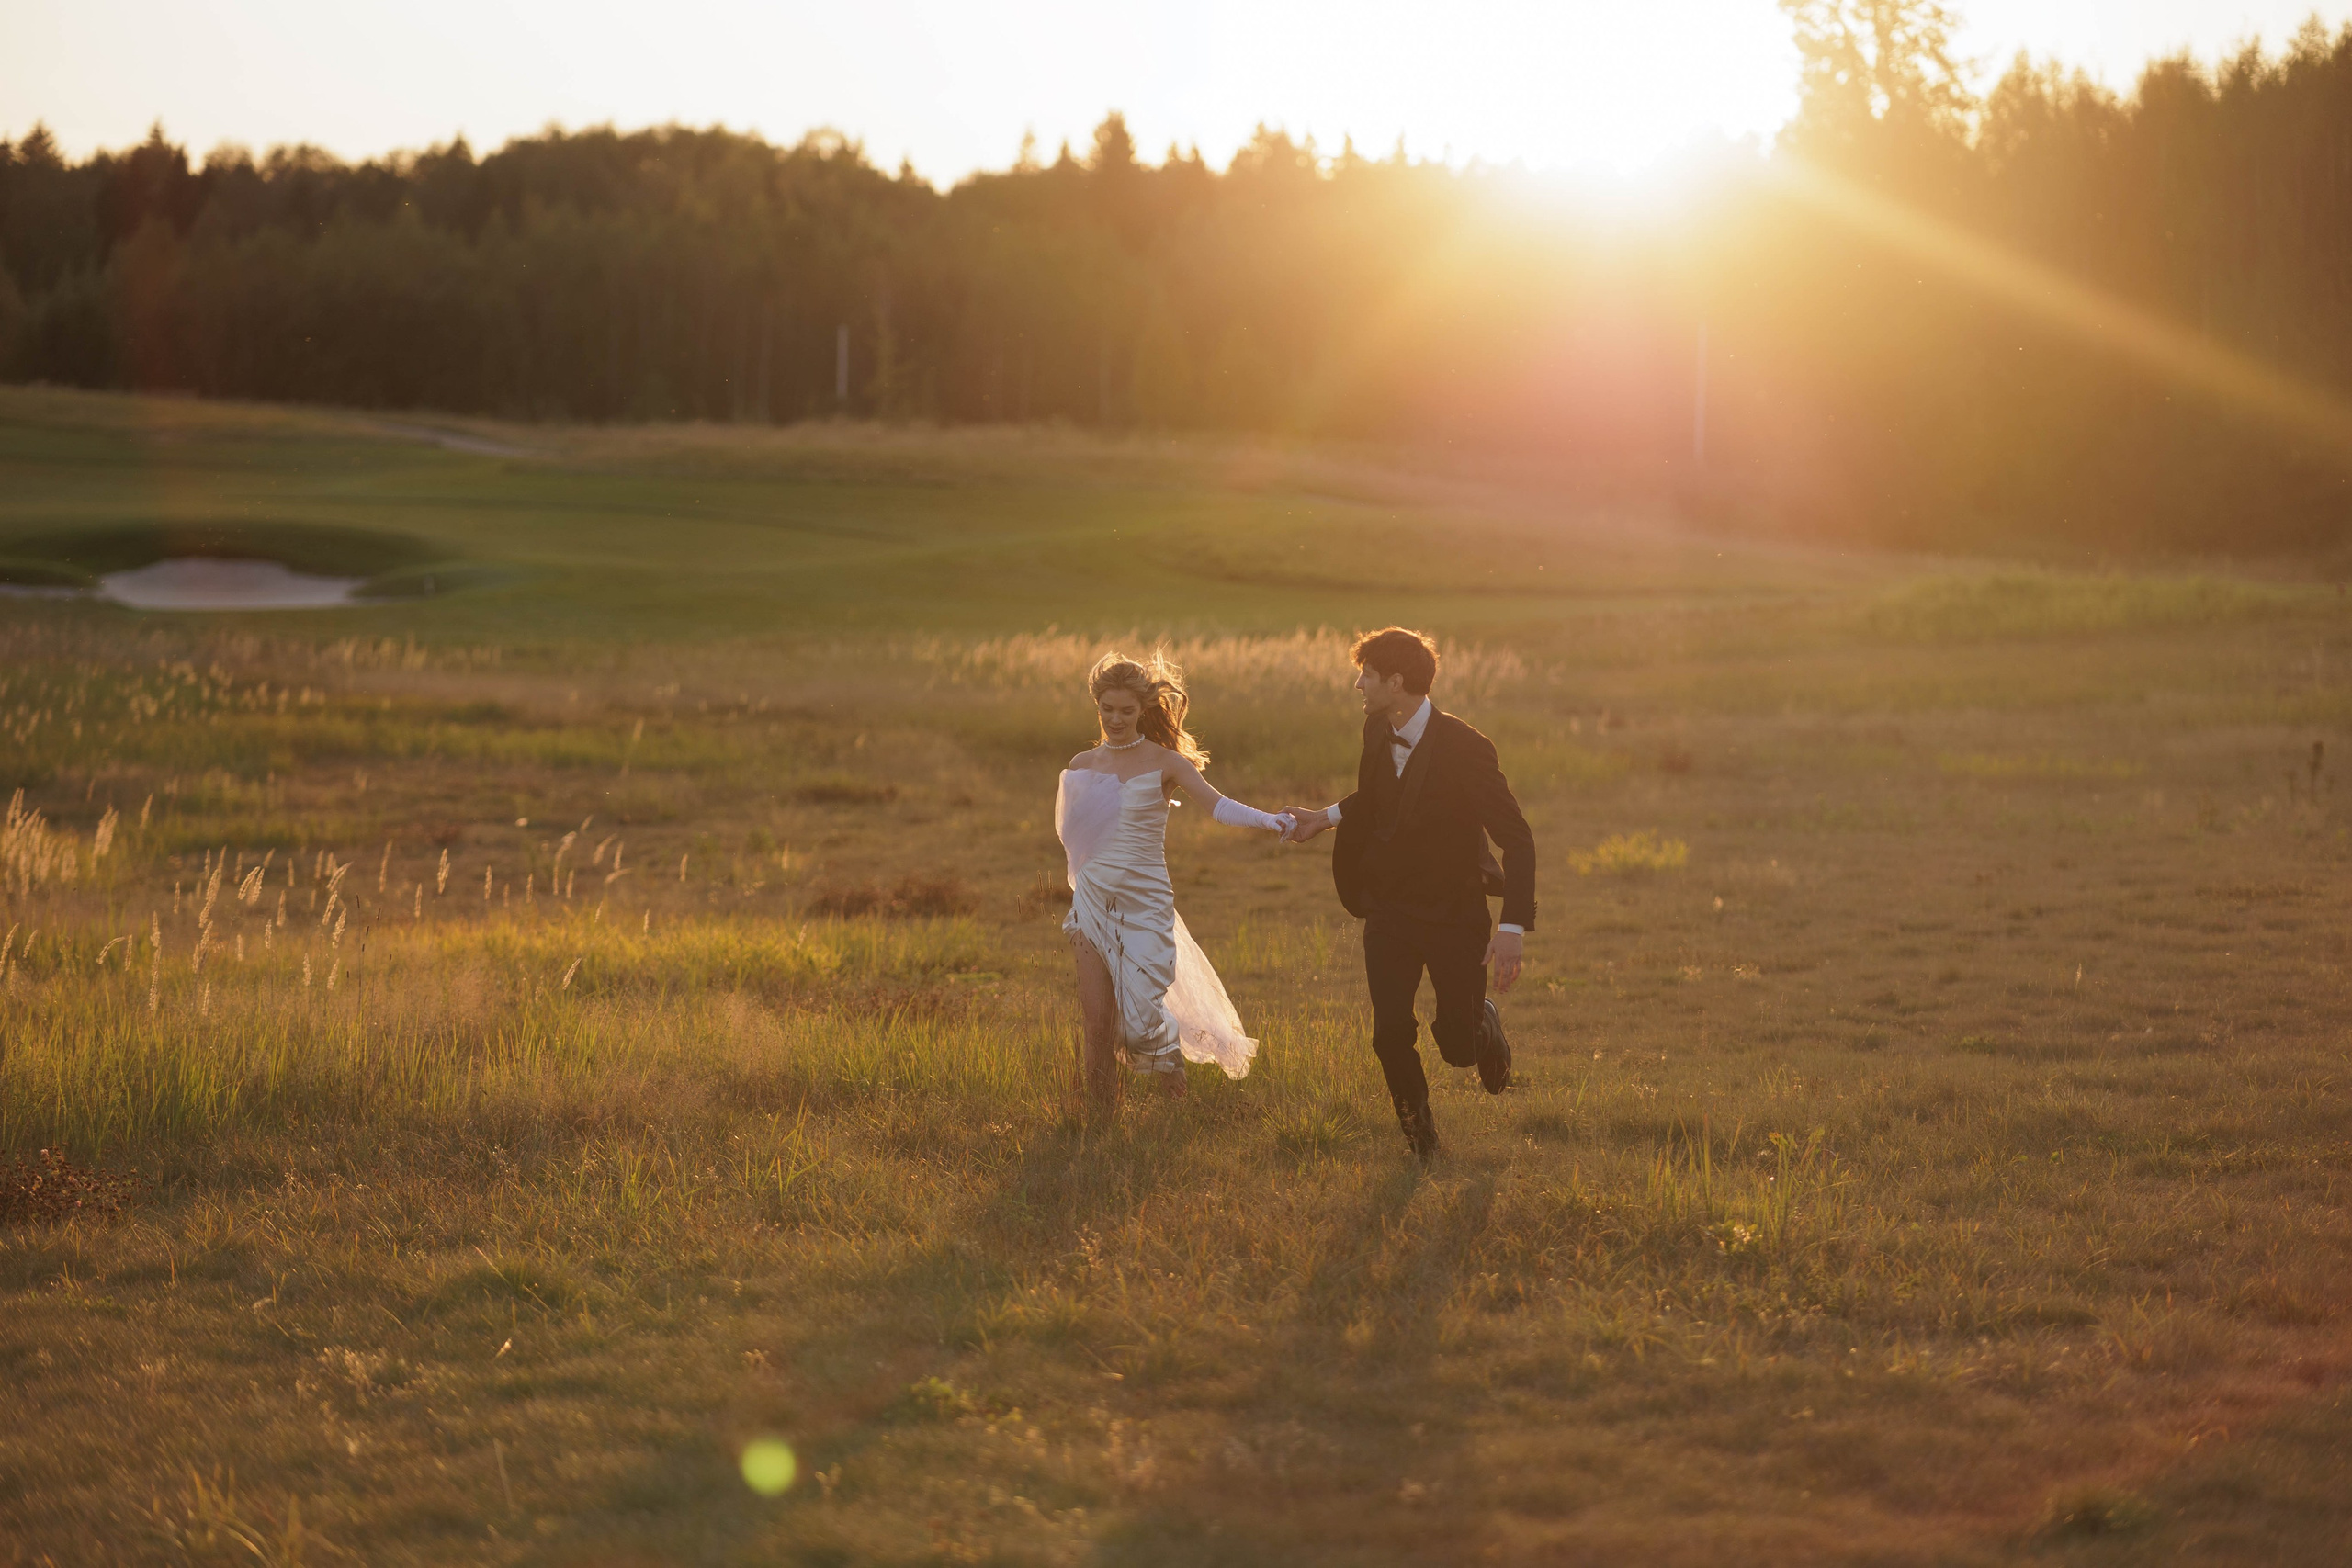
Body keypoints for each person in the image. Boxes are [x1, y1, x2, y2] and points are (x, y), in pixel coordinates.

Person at [1282, 627, 1536, 1161]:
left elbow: (1516, 838)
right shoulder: (1377, 729)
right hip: (1389, 908)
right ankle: (1422, 1144)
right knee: (1389, 1032)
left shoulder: (1468, 747)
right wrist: (1323, 820)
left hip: (1454, 912)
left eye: (1366, 676)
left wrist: (1511, 927)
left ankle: (1481, 1024)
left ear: (1395, 682)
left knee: (1457, 1048)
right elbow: (1375, 796)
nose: (1358, 685)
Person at [1057, 651, 1295, 1108]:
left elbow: (1218, 805)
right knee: (1097, 1024)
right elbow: (1074, 838)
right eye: (1107, 709)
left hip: (1144, 903)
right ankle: (1099, 1120)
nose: (1116, 719)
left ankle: (1172, 1078)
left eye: (1126, 711)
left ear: (1143, 709)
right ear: (1097, 705)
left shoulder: (1166, 762)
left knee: (1141, 1019)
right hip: (1091, 903)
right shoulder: (1083, 764)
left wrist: (1270, 821)